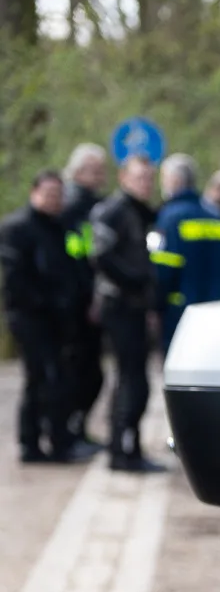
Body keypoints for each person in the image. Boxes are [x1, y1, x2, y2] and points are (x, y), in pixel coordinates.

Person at [2, 170, 94, 463]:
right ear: (35, 193)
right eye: (49, 194)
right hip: (30, 318)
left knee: (60, 380)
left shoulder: (62, 226)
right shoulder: (16, 228)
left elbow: (75, 265)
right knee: (41, 380)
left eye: (59, 195)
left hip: (60, 318)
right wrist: (46, 302)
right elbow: (15, 280)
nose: (55, 200)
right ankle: (31, 444)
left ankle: (59, 440)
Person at [90, 155, 168, 473]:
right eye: (139, 178)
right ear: (123, 178)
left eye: (149, 178)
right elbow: (100, 256)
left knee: (137, 381)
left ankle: (129, 447)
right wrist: (137, 281)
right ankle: (121, 450)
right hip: (119, 306)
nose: (145, 184)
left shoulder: (141, 212)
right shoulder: (112, 211)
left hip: (136, 306)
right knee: (129, 380)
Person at [153, 154, 220, 344]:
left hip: (182, 314)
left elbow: (163, 269)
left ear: (174, 180)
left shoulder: (169, 218)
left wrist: (155, 307)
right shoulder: (218, 218)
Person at [59, 143, 110, 449]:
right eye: (95, 170)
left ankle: (76, 429)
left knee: (91, 373)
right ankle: (69, 432)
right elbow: (78, 256)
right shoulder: (72, 206)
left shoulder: (95, 205)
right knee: (81, 372)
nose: (101, 176)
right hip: (76, 302)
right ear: (78, 171)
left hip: (87, 297)